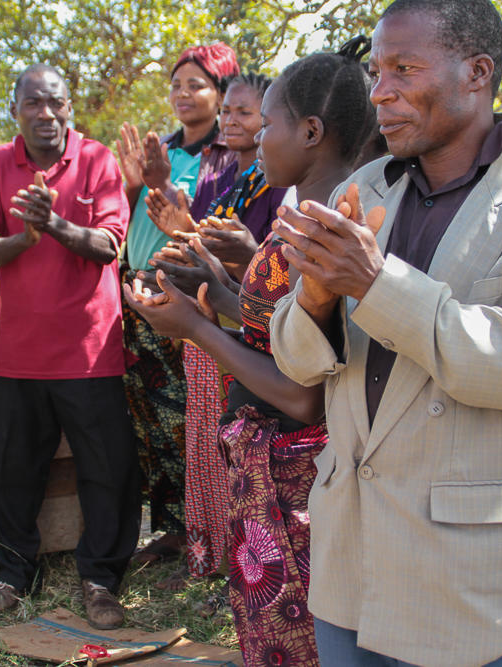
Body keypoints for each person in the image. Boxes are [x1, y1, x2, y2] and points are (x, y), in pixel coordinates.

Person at [268, 0, 502, 664]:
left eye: (404, 68)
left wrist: (374, 284)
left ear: (477, 73)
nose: (380, 92)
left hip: (462, 576)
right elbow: (297, 361)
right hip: (351, 562)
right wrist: (313, 297)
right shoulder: (365, 189)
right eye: (376, 71)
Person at [127, 39, 382, 666]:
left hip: (295, 478)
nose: (257, 139)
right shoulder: (301, 222)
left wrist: (196, 329)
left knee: (294, 643)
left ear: (313, 132)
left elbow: (302, 392)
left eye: (268, 124)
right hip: (271, 469)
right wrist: (218, 282)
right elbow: (284, 329)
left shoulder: (329, 233)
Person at [0, 65, 140, 630]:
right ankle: (13, 575)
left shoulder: (97, 160)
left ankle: (101, 580)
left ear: (70, 108)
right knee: (13, 470)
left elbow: (110, 246)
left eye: (57, 102)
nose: (47, 113)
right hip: (19, 351)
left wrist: (56, 223)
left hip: (89, 349)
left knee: (105, 469)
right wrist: (26, 237)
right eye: (34, 103)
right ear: (15, 109)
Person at [143, 72, 288, 586]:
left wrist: (195, 240)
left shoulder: (278, 187)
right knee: (206, 444)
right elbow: (204, 250)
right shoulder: (229, 180)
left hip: (244, 335)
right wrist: (183, 235)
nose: (230, 120)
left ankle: (243, 569)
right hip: (210, 326)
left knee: (236, 453)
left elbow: (271, 274)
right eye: (228, 111)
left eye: (246, 113)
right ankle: (212, 563)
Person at [117, 43, 238, 564]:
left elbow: (211, 231)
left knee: (192, 416)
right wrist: (130, 186)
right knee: (148, 416)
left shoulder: (225, 158)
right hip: (139, 289)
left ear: (222, 93)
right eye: (177, 85)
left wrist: (163, 183)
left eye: (197, 84)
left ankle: (207, 528)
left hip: (187, 294)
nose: (183, 94)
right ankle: (169, 529)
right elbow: (135, 219)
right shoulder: (159, 150)